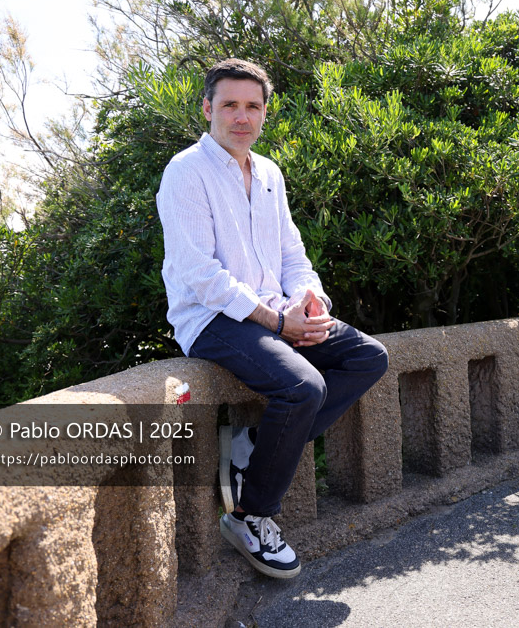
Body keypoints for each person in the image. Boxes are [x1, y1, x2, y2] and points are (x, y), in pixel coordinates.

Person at [156, 58, 389, 579]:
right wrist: (276, 322)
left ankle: (255, 445)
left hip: (274, 310)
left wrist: (310, 303)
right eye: (230, 105)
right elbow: (200, 273)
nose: (242, 117)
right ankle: (249, 516)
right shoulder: (185, 171)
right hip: (213, 318)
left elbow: (291, 254)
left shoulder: (269, 173)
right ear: (208, 108)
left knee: (367, 356)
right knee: (303, 388)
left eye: (253, 106)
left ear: (264, 112)